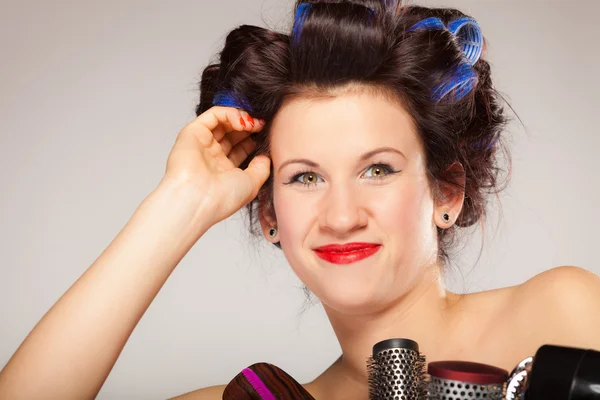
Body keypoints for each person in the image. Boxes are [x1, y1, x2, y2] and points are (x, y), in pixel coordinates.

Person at [1, 1, 599, 399]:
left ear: (445, 191)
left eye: (378, 169)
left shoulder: (560, 313)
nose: (341, 216)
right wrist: (178, 204)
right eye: (304, 178)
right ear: (269, 215)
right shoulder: (259, 398)